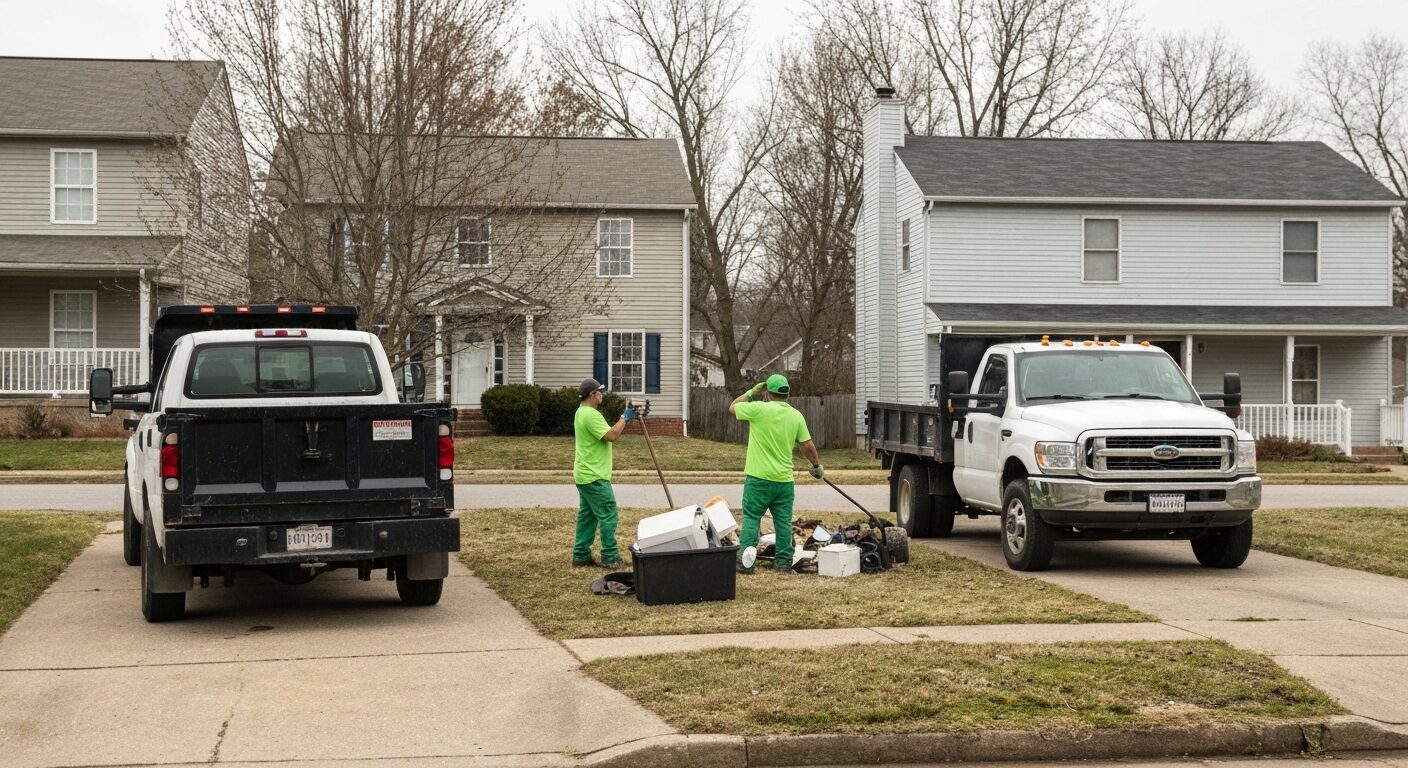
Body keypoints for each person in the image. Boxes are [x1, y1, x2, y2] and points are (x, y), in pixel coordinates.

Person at [728, 373, 822, 573]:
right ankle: (783, 562)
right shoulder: (796, 416)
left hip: (758, 479)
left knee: (752, 519)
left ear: (768, 393)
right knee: (783, 523)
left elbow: (733, 407)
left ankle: (746, 563)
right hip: (784, 481)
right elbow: (807, 445)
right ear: (787, 394)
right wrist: (816, 465)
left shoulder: (758, 409)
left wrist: (751, 392)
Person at [572, 378, 635, 567]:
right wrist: (624, 418)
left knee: (588, 517)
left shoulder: (580, 412)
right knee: (608, 515)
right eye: (600, 391)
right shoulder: (591, 415)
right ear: (592, 394)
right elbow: (611, 435)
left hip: (584, 474)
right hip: (595, 475)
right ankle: (610, 556)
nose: (602, 394)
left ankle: (581, 555)